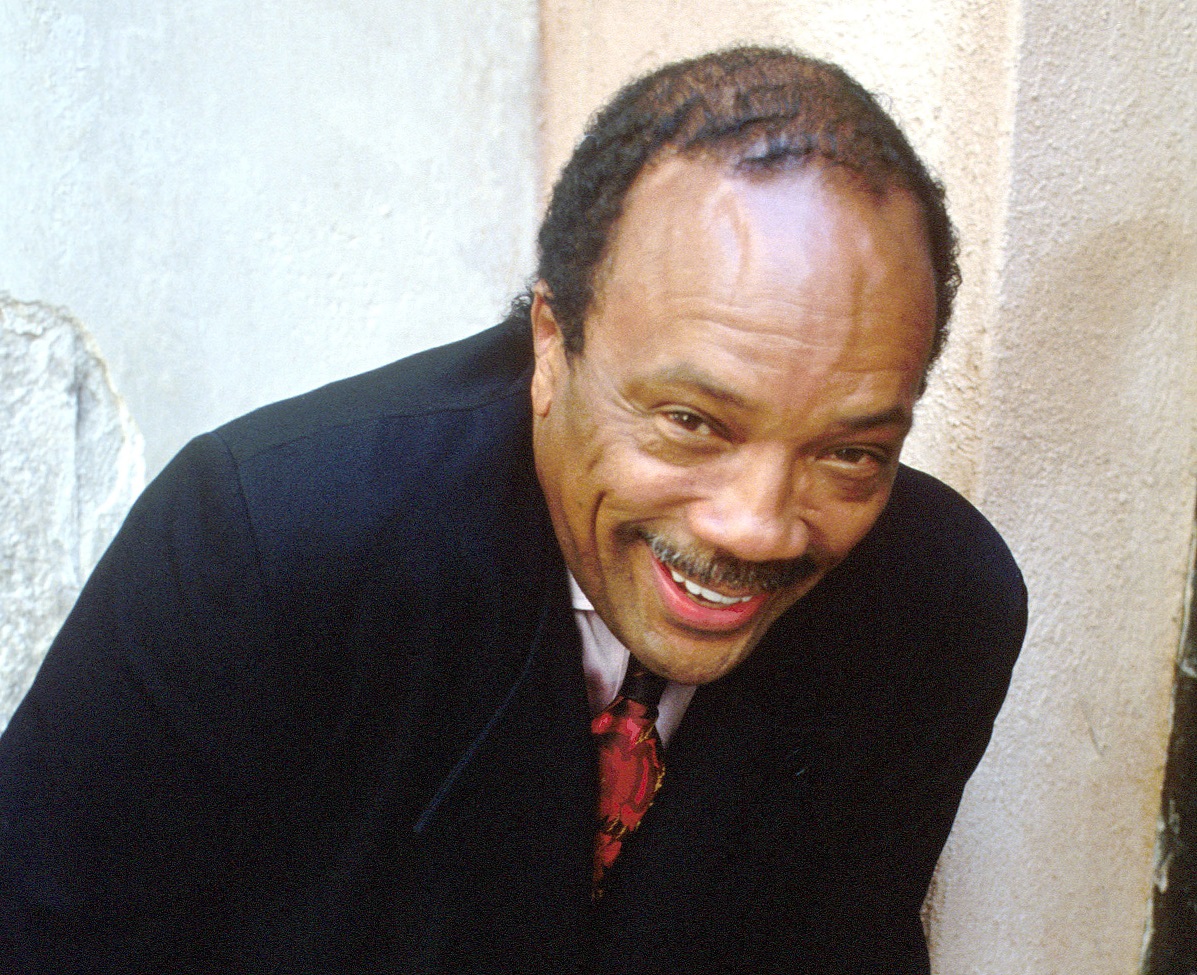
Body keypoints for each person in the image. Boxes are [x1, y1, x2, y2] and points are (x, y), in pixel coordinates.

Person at [0, 47, 1026, 973]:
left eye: (849, 452)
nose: (755, 525)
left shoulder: (935, 608)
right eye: (690, 421)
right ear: (551, 344)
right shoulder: (268, 544)